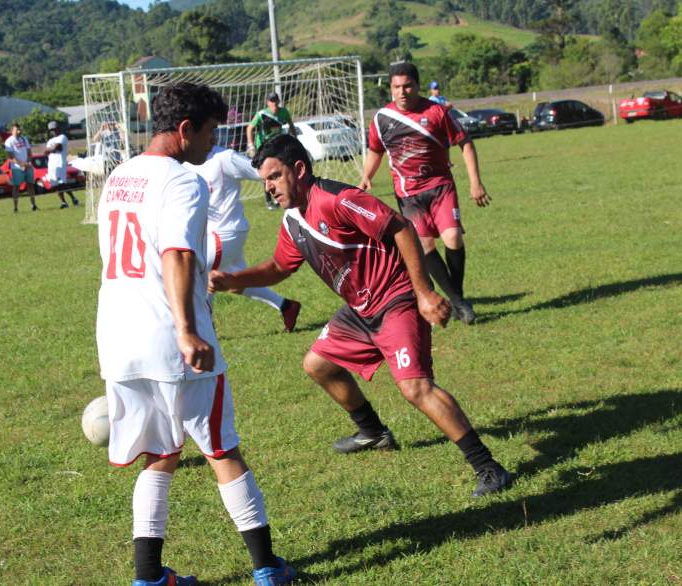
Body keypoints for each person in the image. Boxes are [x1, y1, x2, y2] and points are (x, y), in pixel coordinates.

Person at [210, 134, 512, 498]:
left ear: (299, 169)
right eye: (265, 182)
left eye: (274, 177)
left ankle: (489, 467)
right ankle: (373, 431)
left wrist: (424, 293)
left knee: (414, 387)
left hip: (395, 298)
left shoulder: (339, 199)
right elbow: (278, 266)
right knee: (318, 364)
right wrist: (231, 280)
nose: (269, 188)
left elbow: (401, 228)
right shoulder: (293, 221)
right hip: (360, 310)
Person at [95, 81, 296, 586]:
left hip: (118, 336)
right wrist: (187, 330)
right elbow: (178, 253)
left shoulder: (120, 175)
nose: (214, 141)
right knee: (222, 448)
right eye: (210, 131)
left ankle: (148, 577)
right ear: (184, 130)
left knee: (160, 452)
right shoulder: (183, 181)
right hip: (168, 339)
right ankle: (267, 568)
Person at [360, 62, 489, 325]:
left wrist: (475, 182)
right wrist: (366, 177)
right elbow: (375, 150)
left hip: (441, 186)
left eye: (408, 86)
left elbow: (465, 143)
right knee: (426, 246)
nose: (402, 92)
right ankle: (460, 302)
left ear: (418, 86)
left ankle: (456, 295)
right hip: (408, 194)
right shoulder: (381, 119)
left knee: (453, 238)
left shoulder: (436, 112)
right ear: (391, 89)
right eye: (397, 87)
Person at [183, 144, 302, 331]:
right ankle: (286, 306)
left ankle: (204, 331)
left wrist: (286, 190)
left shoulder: (224, 158)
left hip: (226, 233)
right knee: (234, 282)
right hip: (209, 234)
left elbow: (263, 172)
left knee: (196, 274)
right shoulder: (186, 161)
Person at [246, 92, 296, 210]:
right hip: (262, 147)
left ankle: (281, 195)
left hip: (277, 145)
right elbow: (249, 128)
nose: (273, 103)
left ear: (278, 101)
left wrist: (295, 140)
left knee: (281, 170)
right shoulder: (261, 114)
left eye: (275, 100)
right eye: (271, 101)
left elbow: (291, 125)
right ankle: (269, 201)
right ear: (268, 103)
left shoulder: (284, 112)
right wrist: (251, 145)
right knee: (266, 173)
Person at [45, 120, 80, 209]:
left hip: (60, 164)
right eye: (51, 130)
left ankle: (73, 198)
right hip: (52, 166)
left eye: (55, 129)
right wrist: (51, 149)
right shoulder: (50, 140)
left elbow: (58, 147)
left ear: (58, 128)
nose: (53, 131)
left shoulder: (62, 137)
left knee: (62, 184)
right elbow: (46, 152)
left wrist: (51, 149)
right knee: (55, 185)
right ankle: (64, 202)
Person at [4, 123, 39, 212]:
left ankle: (33, 205)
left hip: (27, 166)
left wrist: (27, 163)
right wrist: (21, 165)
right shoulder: (9, 141)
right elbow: (10, 157)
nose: (19, 132)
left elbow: (29, 153)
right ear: (12, 131)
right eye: (17, 130)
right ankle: (15, 208)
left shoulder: (24, 139)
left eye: (19, 130)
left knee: (30, 185)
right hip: (17, 168)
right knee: (16, 187)